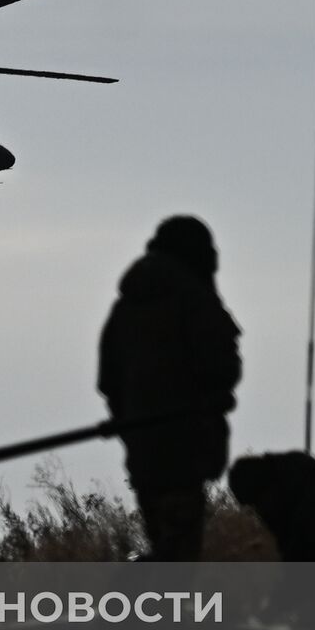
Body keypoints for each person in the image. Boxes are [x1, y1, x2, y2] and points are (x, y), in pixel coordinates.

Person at [97, 216, 241, 560]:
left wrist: (129, 421)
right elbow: (222, 367)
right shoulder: (195, 301)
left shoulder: (126, 306)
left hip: (143, 449)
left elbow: (108, 379)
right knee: (178, 558)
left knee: (165, 545)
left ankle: (146, 597)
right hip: (185, 448)